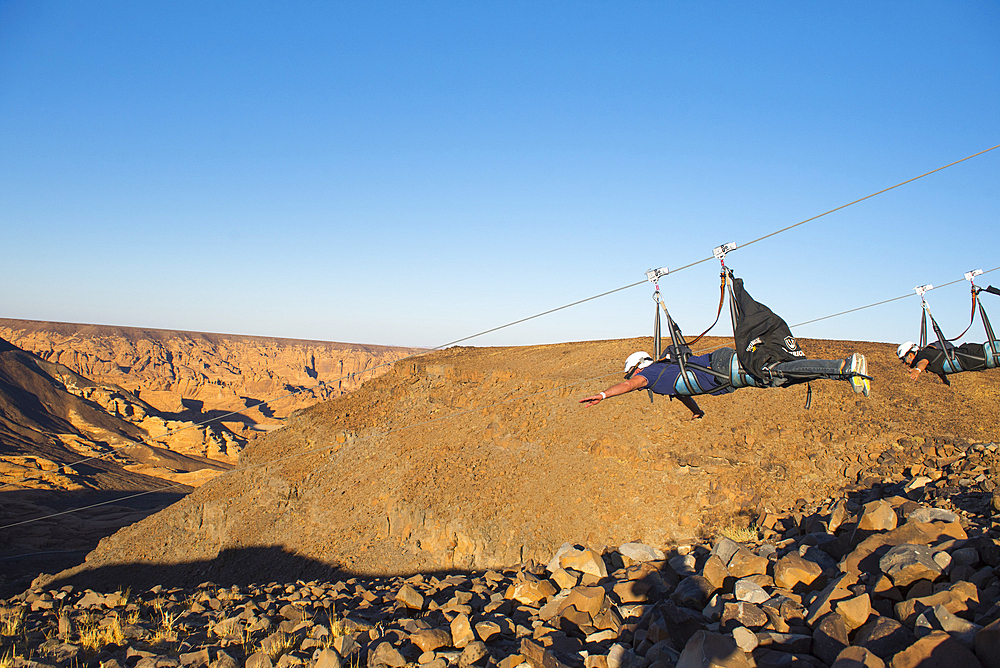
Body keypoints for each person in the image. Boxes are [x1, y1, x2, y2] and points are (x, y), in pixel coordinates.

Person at [579, 347, 870, 418]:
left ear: (638, 367)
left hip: (723, 367)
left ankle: (844, 365)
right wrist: (695, 410)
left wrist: (603, 395)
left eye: (632, 373)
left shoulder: (652, 372)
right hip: (727, 375)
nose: (632, 380)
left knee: (776, 371)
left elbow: (629, 386)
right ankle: (844, 373)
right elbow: (683, 392)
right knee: (780, 378)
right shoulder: (662, 377)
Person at [897, 340, 988, 383]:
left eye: (904, 360)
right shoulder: (928, 355)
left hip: (972, 354)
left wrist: (918, 370)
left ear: (910, 355)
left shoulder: (923, 355)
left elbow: (923, 362)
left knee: (992, 355)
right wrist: (945, 380)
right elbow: (939, 368)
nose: (904, 363)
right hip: (970, 358)